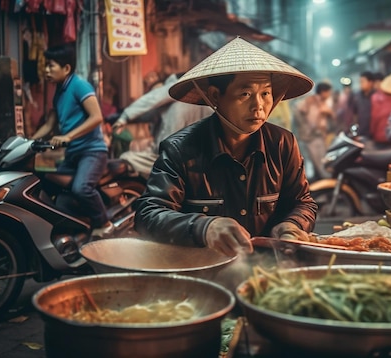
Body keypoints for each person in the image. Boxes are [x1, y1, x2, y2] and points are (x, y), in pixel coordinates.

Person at [133, 37, 318, 257]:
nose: (259, 105)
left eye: (265, 93)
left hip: (267, 271)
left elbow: (302, 202)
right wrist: (203, 227)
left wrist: (292, 225)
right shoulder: (180, 149)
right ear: (215, 96)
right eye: (245, 94)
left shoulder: (282, 144)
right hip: (203, 270)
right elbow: (148, 214)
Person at [30, 44, 113, 238]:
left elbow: (97, 117)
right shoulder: (58, 92)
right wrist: (27, 142)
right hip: (71, 153)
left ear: (66, 68)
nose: (47, 70)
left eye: (51, 66)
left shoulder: (79, 85)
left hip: (92, 151)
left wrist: (67, 136)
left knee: (81, 188)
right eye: (46, 66)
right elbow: (49, 124)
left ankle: (104, 222)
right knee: (44, 175)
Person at [112, 72, 214, 178]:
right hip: (200, 160)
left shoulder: (174, 92)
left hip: (173, 158)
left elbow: (153, 99)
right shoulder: (204, 99)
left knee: (128, 157)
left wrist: (124, 117)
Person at [294, 82, 334, 180]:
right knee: (320, 163)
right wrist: (314, 130)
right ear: (323, 92)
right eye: (328, 92)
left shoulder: (318, 101)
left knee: (317, 163)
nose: (329, 95)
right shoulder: (313, 102)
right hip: (313, 137)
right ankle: (325, 186)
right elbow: (312, 121)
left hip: (312, 137)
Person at [351, 71, 376, 137]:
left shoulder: (376, 96)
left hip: (374, 133)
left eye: (362, 81)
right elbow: (355, 114)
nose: (360, 84)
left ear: (370, 83)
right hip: (361, 132)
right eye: (360, 82)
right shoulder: (357, 96)